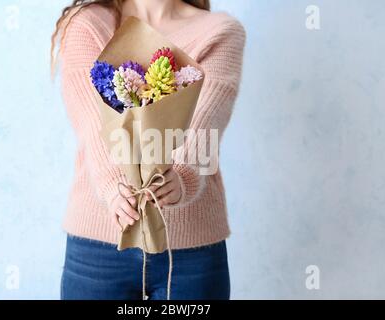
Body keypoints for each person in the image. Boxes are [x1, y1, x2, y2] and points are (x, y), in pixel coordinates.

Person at [52, 0, 246, 300]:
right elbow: (91, 123)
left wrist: (182, 176)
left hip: (190, 252)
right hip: (98, 246)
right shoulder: (89, 23)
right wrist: (112, 185)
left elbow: (206, 124)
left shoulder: (220, 31)